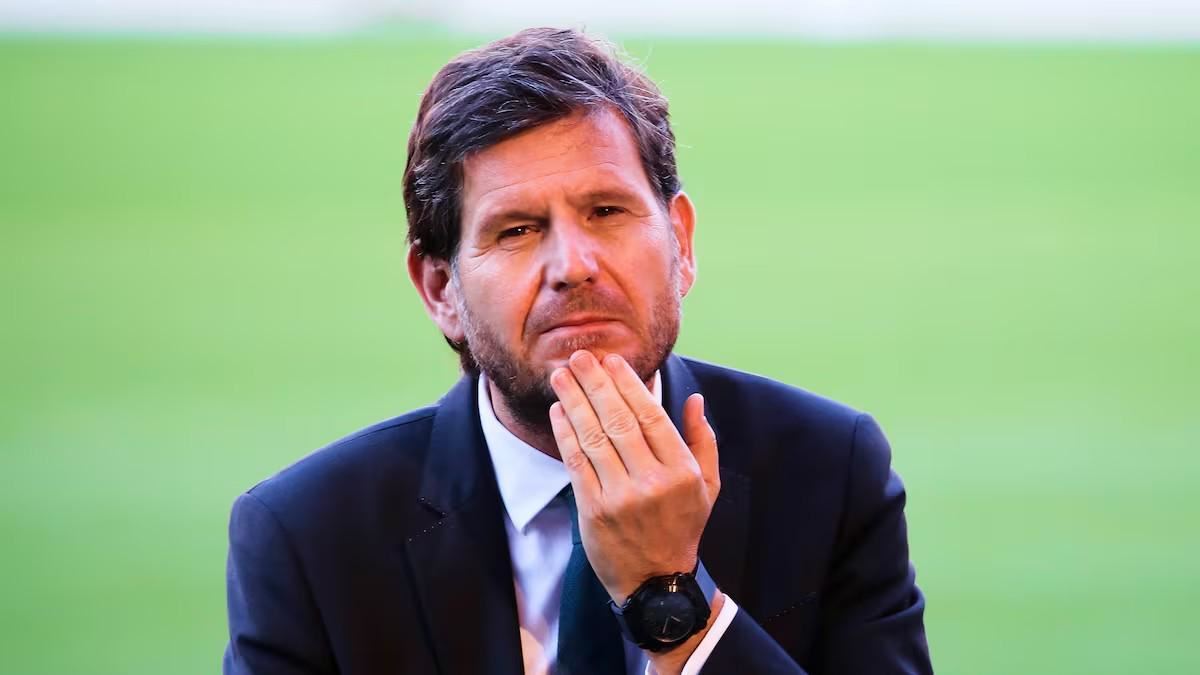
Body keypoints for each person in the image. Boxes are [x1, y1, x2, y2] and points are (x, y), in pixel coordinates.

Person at [224, 27, 932, 675]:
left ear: (681, 243)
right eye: (516, 230)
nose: (573, 265)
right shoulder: (309, 537)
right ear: (441, 289)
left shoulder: (829, 472)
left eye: (606, 211)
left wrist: (674, 607)